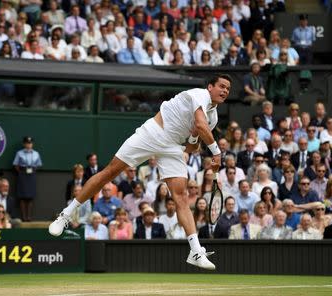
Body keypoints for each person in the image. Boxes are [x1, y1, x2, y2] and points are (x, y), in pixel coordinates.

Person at [50, 74, 233, 270]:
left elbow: (192, 144)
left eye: (228, 89)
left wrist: (195, 142)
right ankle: (66, 215)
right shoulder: (199, 94)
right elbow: (199, 124)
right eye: (221, 86)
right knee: (110, 172)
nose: (225, 91)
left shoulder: (212, 117)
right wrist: (216, 152)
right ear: (210, 87)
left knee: (181, 196)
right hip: (153, 132)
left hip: (172, 147)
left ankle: (195, 251)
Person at [13, 136, 42, 222]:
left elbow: (39, 164)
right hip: (22, 174)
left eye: (30, 143)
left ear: (32, 144)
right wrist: (22, 172)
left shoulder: (36, 153)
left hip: (32, 174)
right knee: (22, 196)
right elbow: (15, 165)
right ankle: (23, 217)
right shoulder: (19, 153)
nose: (29, 145)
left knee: (30, 196)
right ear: (24, 144)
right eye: (27, 143)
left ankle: (29, 216)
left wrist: (33, 170)